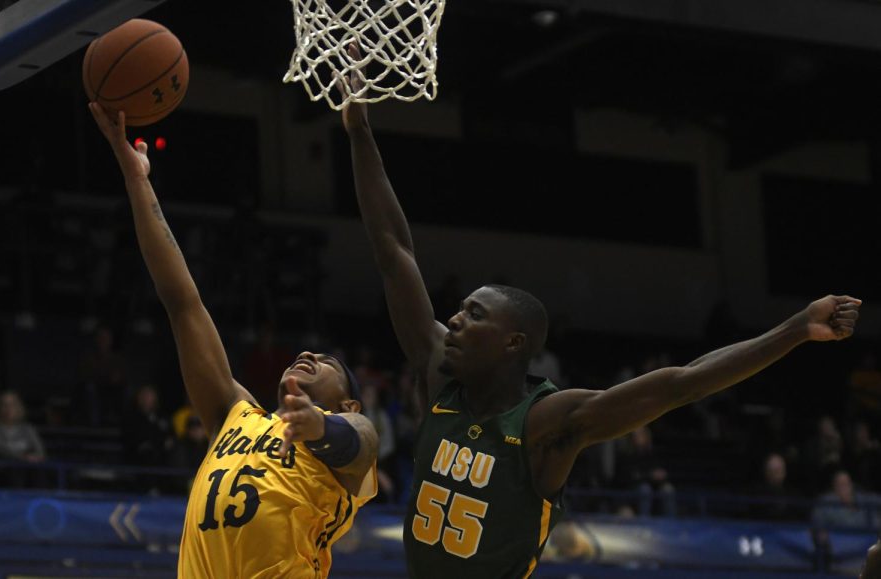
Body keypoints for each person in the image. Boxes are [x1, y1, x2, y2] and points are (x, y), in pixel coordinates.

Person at [339, 43, 862, 578]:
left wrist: (795, 330)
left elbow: (684, 383)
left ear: (513, 343)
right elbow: (393, 250)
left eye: (474, 315)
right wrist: (359, 129)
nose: (453, 320)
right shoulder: (436, 372)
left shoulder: (549, 423)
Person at [88, 103, 378, 578]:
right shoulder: (235, 414)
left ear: (347, 404)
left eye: (325, 361)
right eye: (307, 353)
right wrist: (136, 181)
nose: (307, 354)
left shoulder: (344, 451)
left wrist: (320, 428)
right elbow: (182, 302)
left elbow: (364, 441)